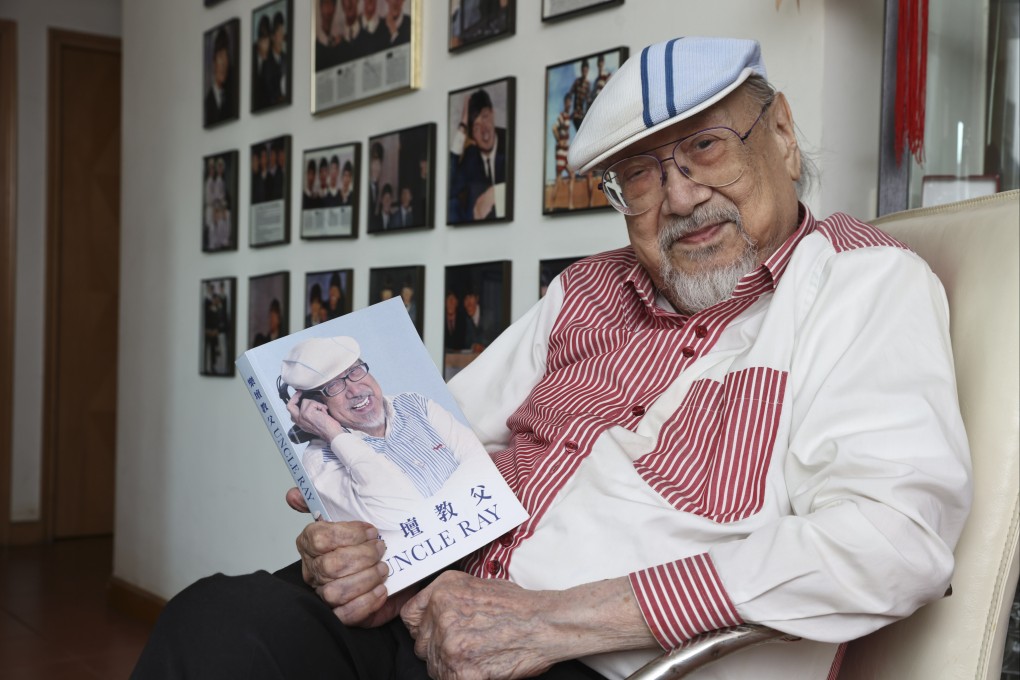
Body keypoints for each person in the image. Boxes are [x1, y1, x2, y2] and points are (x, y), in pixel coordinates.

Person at [134, 36, 971, 680]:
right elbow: (442, 439)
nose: (679, 195)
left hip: (598, 660)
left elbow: (893, 543)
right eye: (639, 176)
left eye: (707, 148)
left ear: (781, 133)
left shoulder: (863, 286)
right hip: (437, 615)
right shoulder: (586, 289)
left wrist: (546, 622)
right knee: (215, 628)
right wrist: (367, 539)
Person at [279, 336, 480, 528]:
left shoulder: (413, 403)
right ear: (314, 405)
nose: (356, 391)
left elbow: (481, 464)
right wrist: (335, 435)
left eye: (355, 371)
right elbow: (404, 515)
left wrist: (429, 507)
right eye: (333, 386)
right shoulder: (319, 461)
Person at [448, 88, 508, 223]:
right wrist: (463, 126)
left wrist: (496, 194)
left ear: (493, 114)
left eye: (485, 117)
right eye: (476, 127)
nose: (484, 129)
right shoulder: (471, 156)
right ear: (472, 138)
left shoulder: (510, 141)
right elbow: (447, 188)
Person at [204, 26, 235, 126]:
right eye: (221, 56)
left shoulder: (232, 100)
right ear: (214, 61)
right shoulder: (207, 103)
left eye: (227, 56)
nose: (224, 63)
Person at [252, 14, 272, 110]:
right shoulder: (251, 55)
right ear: (259, 40)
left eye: (267, 40)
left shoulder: (270, 59)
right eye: (263, 40)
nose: (266, 45)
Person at [569, 58, 591, 133]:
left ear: (587, 71)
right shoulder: (577, 82)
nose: (584, 72)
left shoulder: (588, 84)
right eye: (583, 70)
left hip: (583, 115)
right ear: (581, 70)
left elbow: (588, 99)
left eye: (586, 70)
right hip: (576, 114)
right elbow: (570, 94)